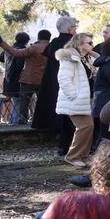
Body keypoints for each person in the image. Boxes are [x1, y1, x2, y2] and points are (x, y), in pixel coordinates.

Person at [34, 15, 77, 145]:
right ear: (70, 29)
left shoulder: (53, 43)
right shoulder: (73, 43)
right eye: (75, 27)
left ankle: (60, 140)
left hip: (53, 80)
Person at [55, 32, 96, 168]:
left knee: (88, 126)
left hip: (84, 99)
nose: (92, 45)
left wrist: (93, 54)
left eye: (92, 42)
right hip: (76, 99)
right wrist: (74, 96)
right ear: (79, 44)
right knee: (85, 126)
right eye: (89, 43)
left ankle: (82, 156)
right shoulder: (70, 57)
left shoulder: (85, 58)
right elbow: (64, 79)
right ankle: (73, 156)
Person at [0, 29, 47, 124]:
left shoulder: (8, 50)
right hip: (19, 81)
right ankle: (15, 123)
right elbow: (19, 66)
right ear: (26, 41)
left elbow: (2, 60)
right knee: (20, 103)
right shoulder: (24, 51)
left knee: (16, 102)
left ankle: (13, 122)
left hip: (8, 80)